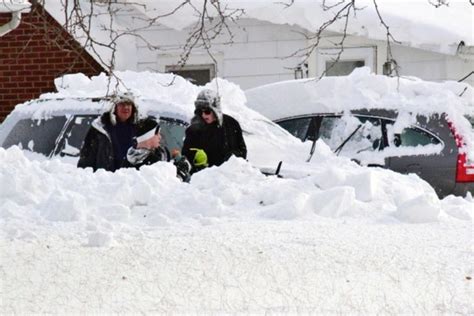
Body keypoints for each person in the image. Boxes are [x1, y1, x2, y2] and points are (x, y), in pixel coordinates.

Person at [182, 89, 247, 173]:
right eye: (200, 111)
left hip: (231, 178)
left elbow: (242, 150)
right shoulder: (193, 130)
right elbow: (186, 156)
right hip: (205, 180)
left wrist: (233, 157)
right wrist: (197, 161)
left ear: (215, 110)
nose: (203, 115)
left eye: (207, 111)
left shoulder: (231, 124)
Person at [77, 93, 138, 172]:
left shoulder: (140, 128)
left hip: (134, 180)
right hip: (106, 179)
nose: (126, 107)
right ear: (114, 107)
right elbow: (87, 158)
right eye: (122, 104)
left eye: (129, 104)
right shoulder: (100, 129)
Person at [122, 117, 191, 182]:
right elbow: (164, 188)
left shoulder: (130, 157)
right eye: (157, 134)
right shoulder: (148, 163)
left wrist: (174, 164)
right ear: (149, 136)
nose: (160, 137)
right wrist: (180, 174)